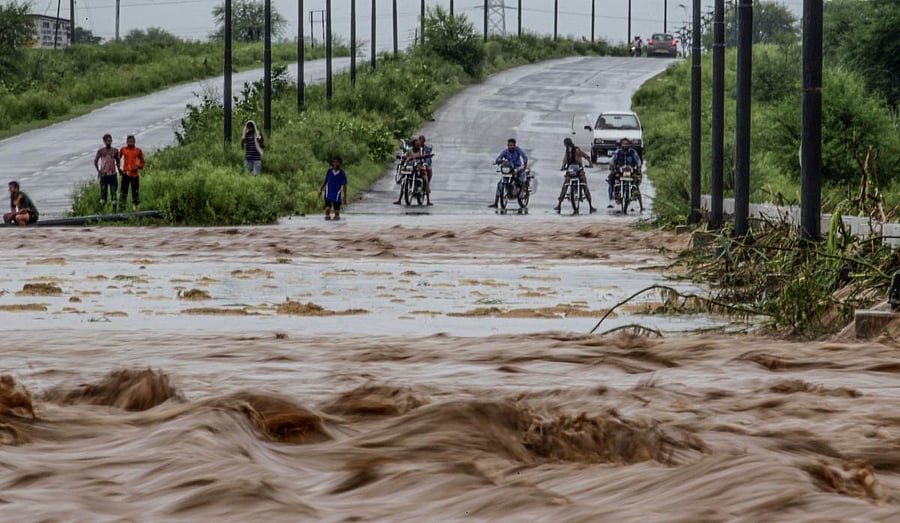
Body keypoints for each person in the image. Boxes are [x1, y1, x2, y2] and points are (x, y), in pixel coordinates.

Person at [555, 137, 597, 213]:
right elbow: (565, 160)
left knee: (584, 185)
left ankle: (590, 205)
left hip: (579, 170)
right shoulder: (567, 151)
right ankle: (559, 204)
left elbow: (585, 156)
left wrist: (590, 163)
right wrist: (563, 167)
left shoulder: (577, 150)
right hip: (570, 171)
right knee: (565, 185)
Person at [489, 138, 529, 208]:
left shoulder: (518, 150)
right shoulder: (506, 151)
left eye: (512, 145)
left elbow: (524, 157)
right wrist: (499, 161)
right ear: (507, 145)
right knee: (500, 184)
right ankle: (496, 202)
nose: (510, 147)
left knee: (522, 173)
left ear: (514, 145)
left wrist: (525, 166)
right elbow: (499, 158)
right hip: (509, 169)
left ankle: (522, 190)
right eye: (509, 145)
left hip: (517, 167)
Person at [393, 138, 432, 205]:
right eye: (416, 145)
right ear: (413, 145)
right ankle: (399, 199)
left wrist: (421, 157)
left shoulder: (421, 150)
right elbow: (405, 155)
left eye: (418, 145)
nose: (418, 146)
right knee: (404, 180)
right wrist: (404, 157)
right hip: (411, 168)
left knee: (425, 180)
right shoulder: (410, 150)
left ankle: (428, 200)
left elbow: (422, 155)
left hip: (420, 167)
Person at [608, 137, 643, 208]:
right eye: (623, 144)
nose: (625, 145)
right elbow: (612, 161)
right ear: (621, 145)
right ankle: (611, 194)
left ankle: (641, 205)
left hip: (631, 171)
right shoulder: (617, 152)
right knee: (611, 179)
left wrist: (638, 168)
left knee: (636, 184)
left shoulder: (633, 152)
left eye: (626, 144)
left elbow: (638, 161)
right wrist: (612, 167)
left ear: (629, 144)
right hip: (619, 171)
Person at [93, 133, 121, 209]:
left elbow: (118, 161)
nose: (108, 142)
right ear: (104, 141)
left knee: (113, 192)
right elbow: (95, 161)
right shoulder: (101, 151)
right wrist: (99, 171)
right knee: (103, 193)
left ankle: (114, 212)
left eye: (110, 140)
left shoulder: (115, 151)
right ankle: (102, 212)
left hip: (112, 175)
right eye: (107, 140)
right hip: (104, 175)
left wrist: (119, 170)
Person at [118, 135, 145, 208]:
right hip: (125, 174)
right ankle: (122, 207)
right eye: (129, 142)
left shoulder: (138, 150)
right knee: (123, 192)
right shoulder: (123, 149)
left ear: (134, 142)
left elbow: (142, 162)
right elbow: (118, 159)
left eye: (132, 142)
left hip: (134, 174)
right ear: (126, 142)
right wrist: (119, 169)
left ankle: (136, 207)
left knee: (135, 192)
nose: (130, 143)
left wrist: (138, 167)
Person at [318, 156, 348, 221]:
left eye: (337, 162)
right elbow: (325, 180)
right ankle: (327, 224)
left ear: (340, 163)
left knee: (337, 213)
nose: (335, 164)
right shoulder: (329, 171)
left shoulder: (342, 174)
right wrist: (320, 190)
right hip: (328, 193)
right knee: (327, 209)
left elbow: (345, 186)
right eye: (334, 162)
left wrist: (344, 198)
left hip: (337, 194)